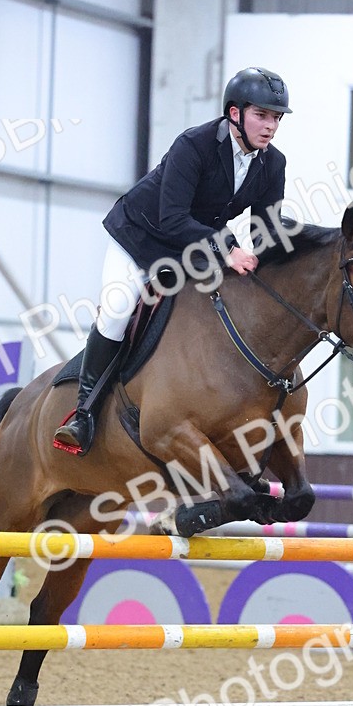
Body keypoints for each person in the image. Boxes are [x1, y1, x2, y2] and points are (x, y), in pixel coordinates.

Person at [54, 66, 292, 454]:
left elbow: (268, 230)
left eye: (276, 118)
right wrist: (229, 248)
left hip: (192, 247)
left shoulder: (272, 163)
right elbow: (173, 218)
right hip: (141, 237)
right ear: (235, 113)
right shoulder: (194, 145)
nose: (270, 126)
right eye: (261, 115)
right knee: (117, 310)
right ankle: (84, 412)